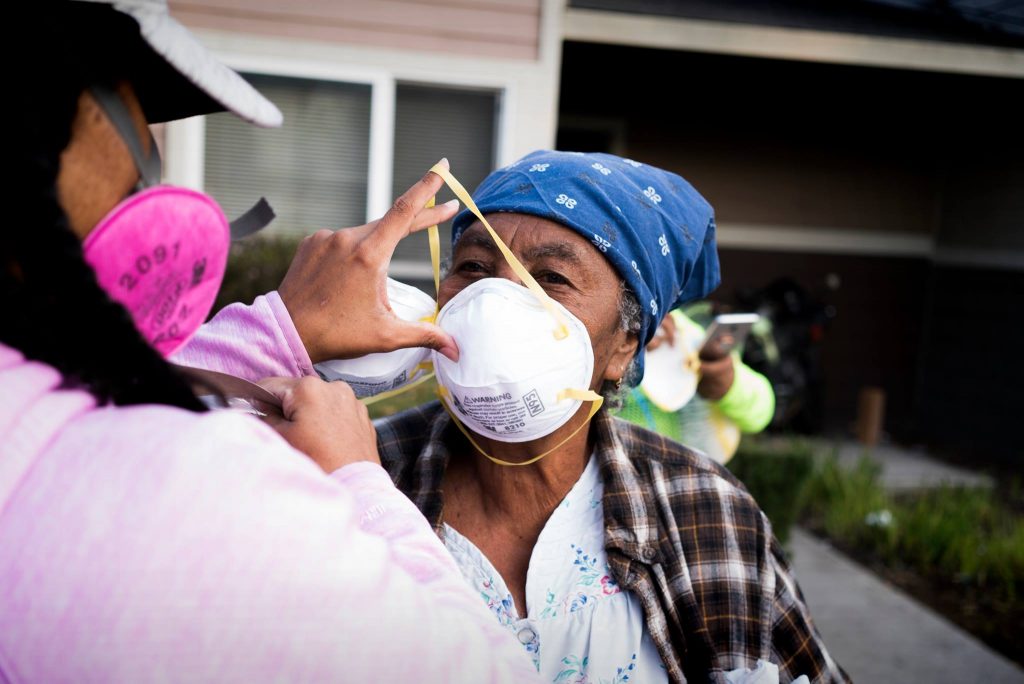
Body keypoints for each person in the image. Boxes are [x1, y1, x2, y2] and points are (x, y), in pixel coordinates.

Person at [0, 1, 539, 680]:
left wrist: (278, 328)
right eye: (129, 122)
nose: (153, 171)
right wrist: (357, 477)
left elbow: (75, 404)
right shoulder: (184, 494)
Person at [183, 150, 849, 683]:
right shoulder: (347, 471)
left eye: (551, 279)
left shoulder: (706, 510)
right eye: (472, 266)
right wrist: (285, 332)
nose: (496, 303)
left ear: (625, 346)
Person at [616, 306, 775, 463]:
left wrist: (730, 385)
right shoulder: (607, 323)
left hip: (682, 479)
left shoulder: (684, 330)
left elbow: (762, 411)